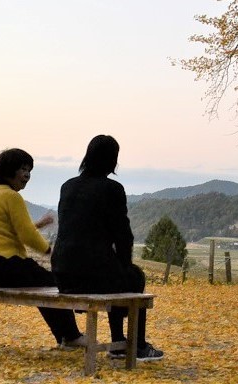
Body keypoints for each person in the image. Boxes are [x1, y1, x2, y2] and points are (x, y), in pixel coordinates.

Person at [51, 135, 163, 362]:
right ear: (113, 160)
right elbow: (123, 235)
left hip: (62, 273)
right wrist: (125, 265)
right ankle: (135, 345)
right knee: (134, 277)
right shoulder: (112, 189)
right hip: (91, 274)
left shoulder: (67, 186)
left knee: (120, 275)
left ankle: (120, 341)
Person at [0, 148, 83, 348]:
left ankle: (67, 337)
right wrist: (49, 251)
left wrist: (39, 225)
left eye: (29, 170)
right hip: (5, 264)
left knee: (43, 284)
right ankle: (71, 336)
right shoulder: (12, 197)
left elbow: (11, 230)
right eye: (23, 169)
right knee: (54, 285)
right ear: (8, 171)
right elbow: (25, 235)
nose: (27, 175)